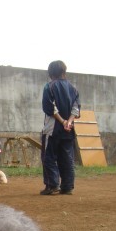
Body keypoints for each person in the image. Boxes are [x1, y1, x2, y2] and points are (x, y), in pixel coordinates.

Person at [40, 60, 81, 195]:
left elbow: (50, 108)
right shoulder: (73, 88)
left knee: (49, 157)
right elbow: (76, 108)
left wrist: (62, 121)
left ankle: (52, 185)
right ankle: (67, 186)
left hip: (52, 129)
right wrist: (69, 122)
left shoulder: (49, 87)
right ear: (64, 71)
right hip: (68, 130)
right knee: (67, 158)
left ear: (51, 73)